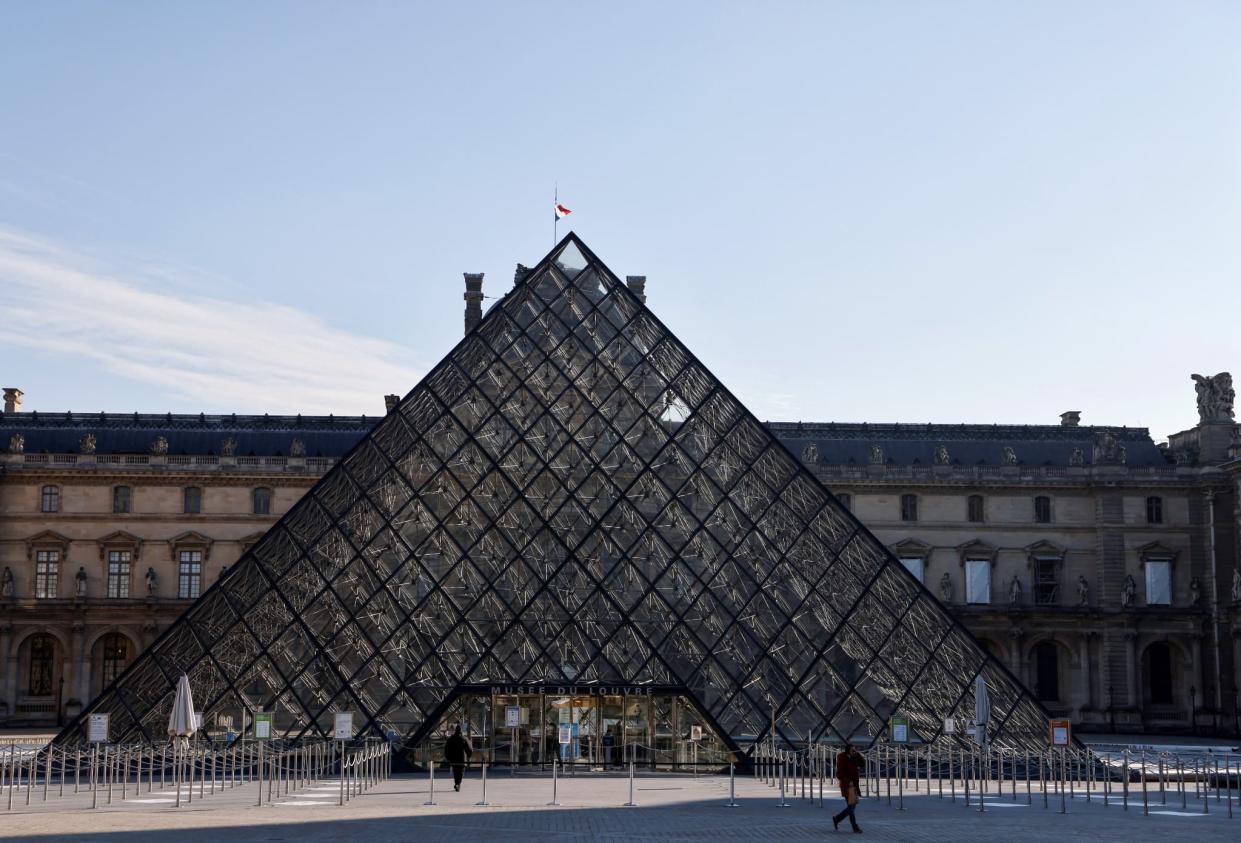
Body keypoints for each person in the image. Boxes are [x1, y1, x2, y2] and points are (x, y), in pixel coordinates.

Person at [832, 743, 863, 833]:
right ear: (848, 750)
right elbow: (839, 774)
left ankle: (837, 819)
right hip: (847, 786)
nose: (854, 751)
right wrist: (848, 781)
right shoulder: (842, 758)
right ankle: (855, 827)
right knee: (851, 808)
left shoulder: (854, 757)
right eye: (852, 750)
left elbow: (862, 764)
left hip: (854, 786)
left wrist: (858, 754)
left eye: (855, 750)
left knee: (851, 807)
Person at [444, 724, 472, 792]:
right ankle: (458, 783)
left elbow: (447, 749)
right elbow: (469, 749)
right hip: (462, 759)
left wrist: (448, 757)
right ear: (461, 731)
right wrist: (469, 755)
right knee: (461, 772)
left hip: (454, 759)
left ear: (455, 730)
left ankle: (457, 783)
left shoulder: (451, 738)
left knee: (455, 772)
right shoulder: (464, 738)